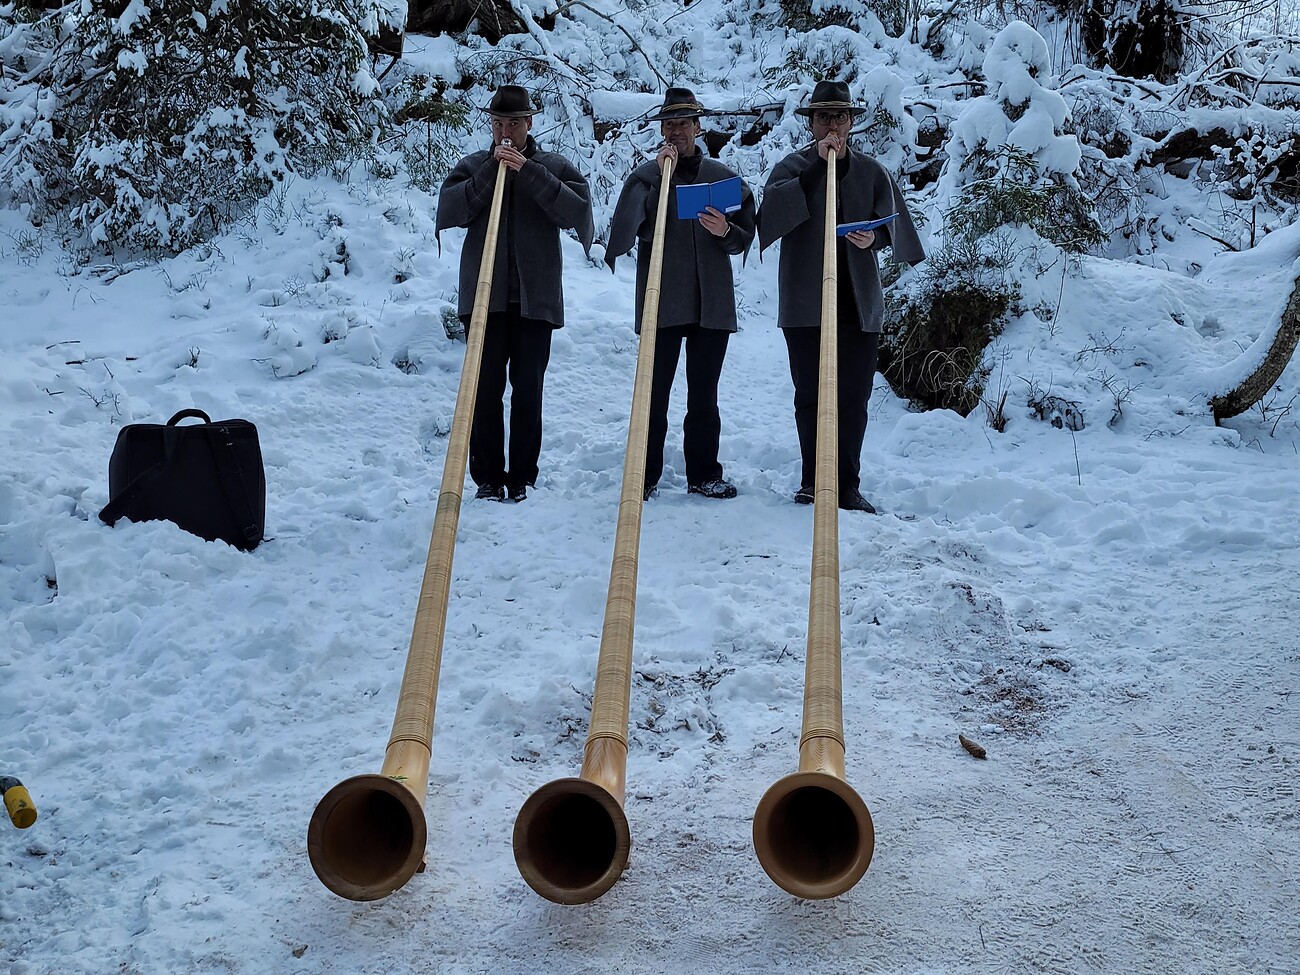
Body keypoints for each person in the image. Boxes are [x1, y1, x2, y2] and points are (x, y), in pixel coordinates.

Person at [757, 80, 924, 513]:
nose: (832, 124)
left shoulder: (872, 172)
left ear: (851, 122)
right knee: (811, 396)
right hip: (805, 303)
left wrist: (875, 238)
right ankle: (814, 481)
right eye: (823, 117)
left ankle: (846, 484)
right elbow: (770, 219)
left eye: (840, 116)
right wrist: (817, 167)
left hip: (857, 301)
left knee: (852, 398)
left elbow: (895, 225)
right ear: (811, 123)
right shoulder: (791, 168)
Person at [436, 84, 595, 503]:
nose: (505, 132)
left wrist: (529, 171)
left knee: (528, 390)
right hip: (483, 299)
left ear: (529, 123)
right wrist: (492, 171)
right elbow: (451, 210)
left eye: (512, 124)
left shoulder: (552, 165)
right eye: (498, 125)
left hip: (534, 300)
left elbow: (576, 212)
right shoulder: (474, 165)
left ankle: (523, 476)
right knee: (484, 389)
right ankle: (487, 478)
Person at [605, 87, 756, 501]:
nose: (676, 132)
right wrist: (660, 181)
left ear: (697, 128)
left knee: (704, 396)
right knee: (652, 393)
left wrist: (725, 231)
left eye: (684, 124)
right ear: (661, 131)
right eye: (669, 125)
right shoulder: (644, 177)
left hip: (711, 303)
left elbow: (744, 235)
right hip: (662, 300)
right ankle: (643, 474)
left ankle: (704, 473)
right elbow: (627, 231)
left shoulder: (722, 177)